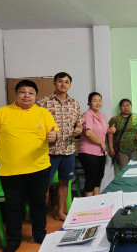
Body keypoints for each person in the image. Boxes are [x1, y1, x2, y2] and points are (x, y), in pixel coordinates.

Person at [0, 80, 59, 252]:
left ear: (35, 96)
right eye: (23, 92)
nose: (27, 95)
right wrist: (9, 149)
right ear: (16, 94)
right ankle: (14, 240)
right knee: (13, 206)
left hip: (39, 168)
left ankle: (40, 235)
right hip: (11, 171)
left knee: (38, 204)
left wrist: (53, 137)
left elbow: (54, 133)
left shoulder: (43, 113)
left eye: (31, 93)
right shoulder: (0, 113)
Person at [37, 72, 84, 221]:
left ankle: (60, 212)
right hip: (49, 151)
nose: (63, 84)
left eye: (66, 82)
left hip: (68, 150)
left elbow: (79, 120)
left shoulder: (74, 103)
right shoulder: (43, 102)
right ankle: (40, 216)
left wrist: (79, 128)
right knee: (44, 184)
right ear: (54, 83)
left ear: (70, 85)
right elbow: (35, 124)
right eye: (60, 81)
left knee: (65, 181)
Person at [78, 92, 116, 196]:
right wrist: (102, 143)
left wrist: (110, 130)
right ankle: (90, 207)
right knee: (91, 179)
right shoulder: (87, 115)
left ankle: (96, 203)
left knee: (98, 178)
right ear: (89, 103)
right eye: (95, 101)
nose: (98, 103)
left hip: (100, 152)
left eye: (100, 100)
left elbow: (103, 130)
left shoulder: (101, 115)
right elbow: (88, 132)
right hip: (88, 152)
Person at [108, 99, 137, 170]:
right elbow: (110, 134)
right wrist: (111, 148)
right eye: (123, 106)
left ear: (131, 106)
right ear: (120, 108)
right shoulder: (115, 119)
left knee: (136, 170)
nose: (126, 107)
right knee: (124, 171)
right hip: (122, 151)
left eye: (128, 105)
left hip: (135, 149)